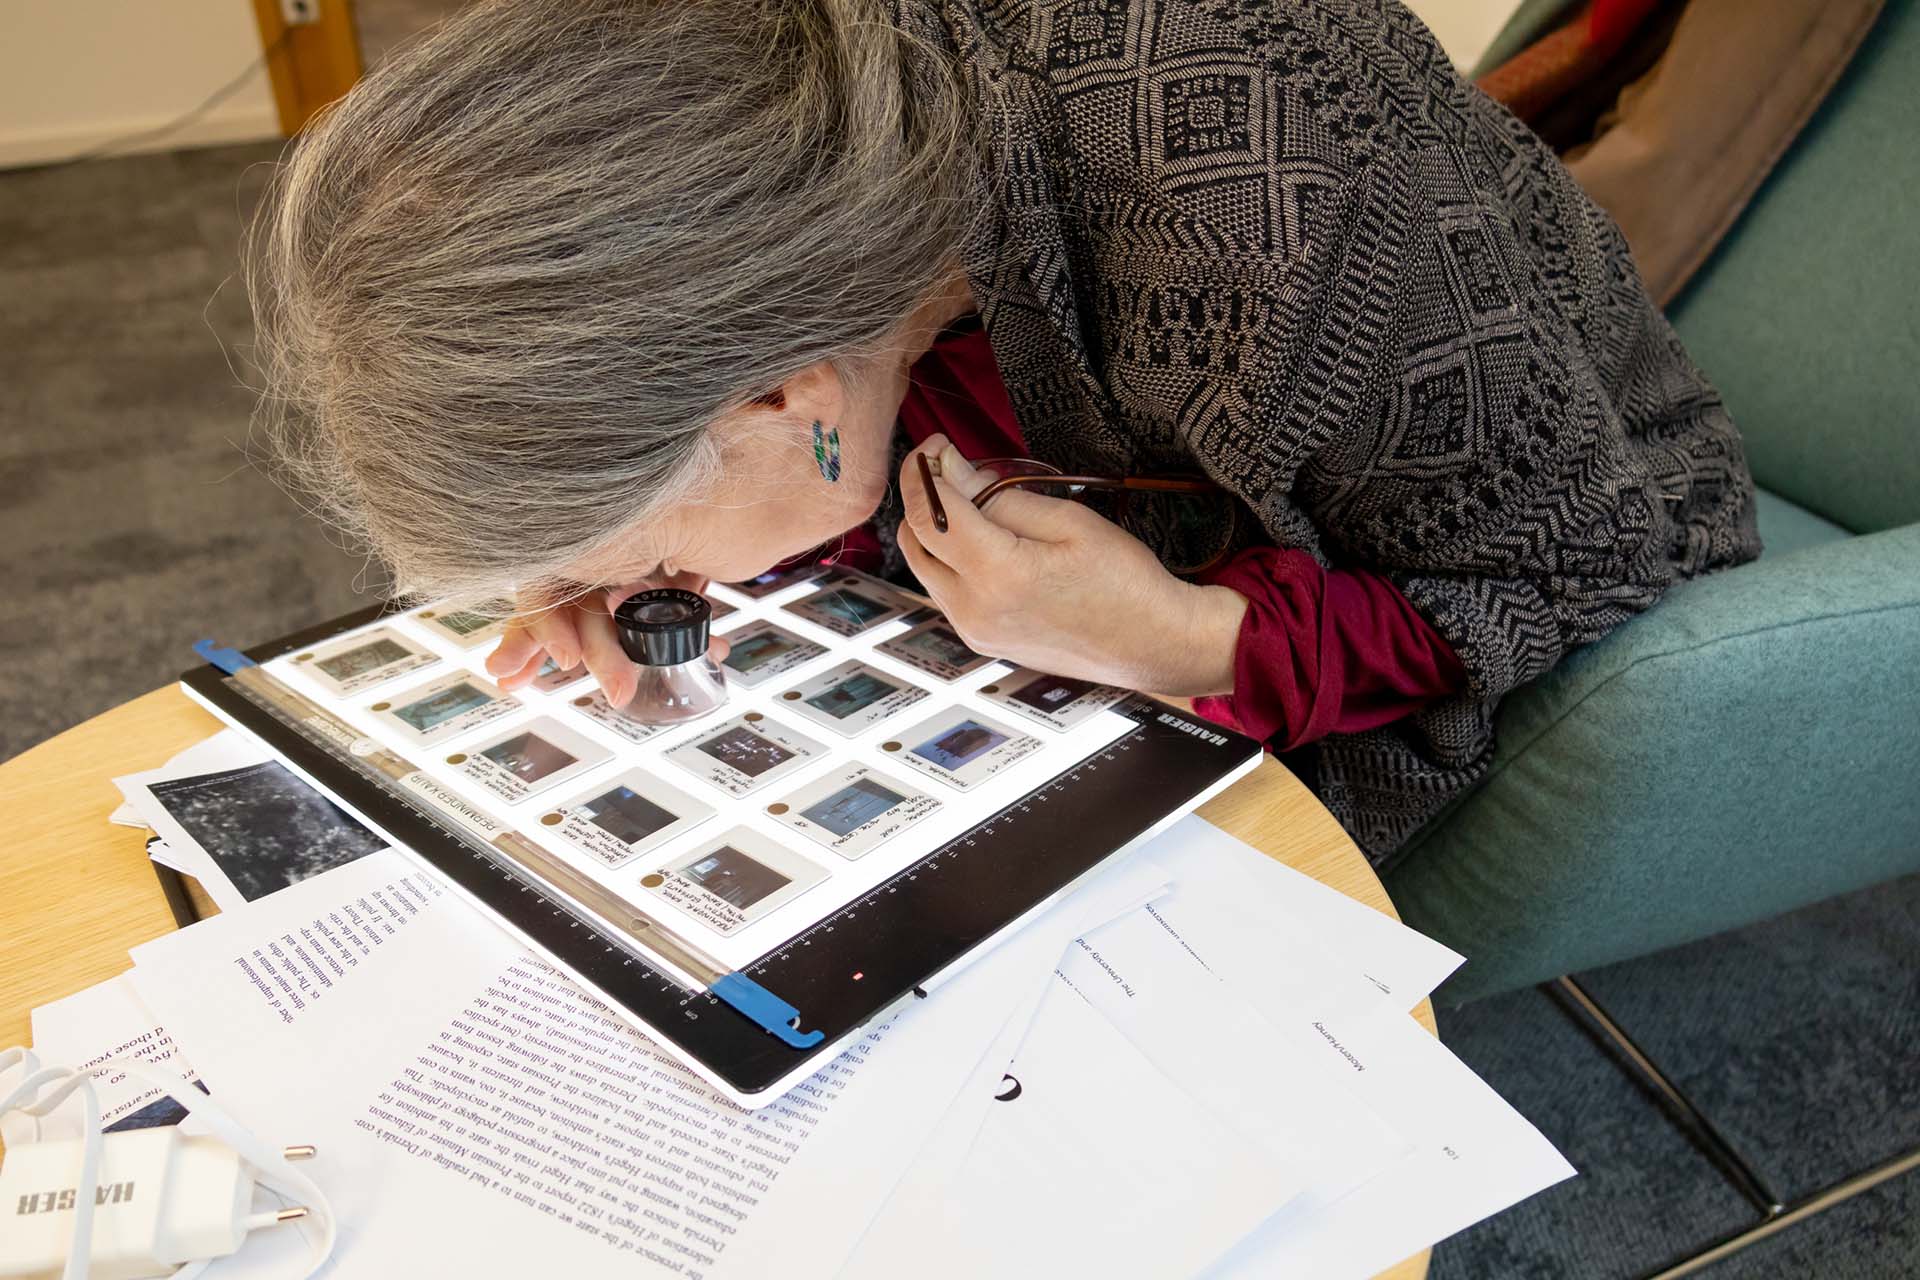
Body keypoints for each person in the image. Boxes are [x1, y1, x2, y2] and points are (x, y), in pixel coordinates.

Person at [246, 0, 1760, 865]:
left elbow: (1572, 552)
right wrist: (595, 521)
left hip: (1537, 506)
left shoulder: (1279, 225)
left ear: (788, 398)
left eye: (639, 551)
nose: (640, 587)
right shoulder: (750, 134)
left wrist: (1189, 644)